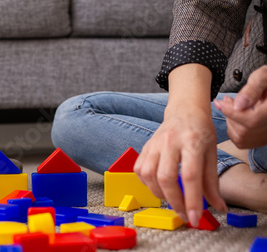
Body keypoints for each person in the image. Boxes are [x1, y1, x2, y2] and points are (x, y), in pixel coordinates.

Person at [52, 0, 267, 227]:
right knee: (72, 116)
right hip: (249, 102)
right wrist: (185, 110)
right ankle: (246, 182)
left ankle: (231, 162)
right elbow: (207, 7)